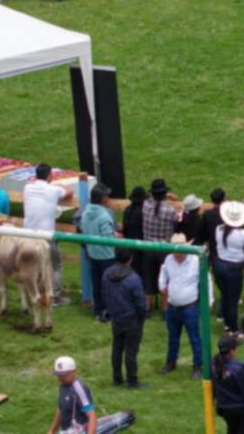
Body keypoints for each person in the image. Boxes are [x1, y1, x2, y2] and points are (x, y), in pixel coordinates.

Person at [22, 163, 73, 305]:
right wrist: (60, 186)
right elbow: (69, 192)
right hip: (46, 236)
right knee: (56, 265)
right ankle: (55, 296)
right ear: (50, 176)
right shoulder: (54, 190)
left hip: (28, 235)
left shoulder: (27, 188)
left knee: (32, 264)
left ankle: (32, 293)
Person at [159, 233, 204, 380]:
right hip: (173, 306)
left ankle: (198, 365)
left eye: (179, 251)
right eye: (175, 251)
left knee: (194, 337)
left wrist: (208, 300)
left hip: (190, 306)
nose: (177, 255)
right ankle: (171, 362)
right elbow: (164, 271)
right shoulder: (168, 260)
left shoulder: (196, 261)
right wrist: (162, 284)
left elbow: (206, 280)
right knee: (173, 336)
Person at [102, 249, 146, 389]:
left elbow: (105, 294)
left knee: (117, 348)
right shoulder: (133, 278)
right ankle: (132, 381)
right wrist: (142, 315)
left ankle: (117, 378)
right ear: (131, 259)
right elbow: (140, 301)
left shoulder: (106, 274)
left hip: (116, 317)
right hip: (132, 318)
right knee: (131, 351)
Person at [214, 201, 244, 334]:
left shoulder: (218, 229)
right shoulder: (242, 234)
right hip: (234, 268)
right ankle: (233, 328)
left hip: (219, 265)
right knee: (232, 299)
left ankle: (227, 323)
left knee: (225, 295)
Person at [80, 184, 117, 322]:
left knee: (97, 284)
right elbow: (108, 239)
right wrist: (116, 236)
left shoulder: (85, 213)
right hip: (107, 256)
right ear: (103, 199)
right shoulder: (104, 216)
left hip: (92, 254)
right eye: (107, 196)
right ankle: (108, 313)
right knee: (109, 286)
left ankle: (98, 311)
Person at [142, 178, 178, 315]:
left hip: (148, 247)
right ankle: (165, 308)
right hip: (164, 249)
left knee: (148, 277)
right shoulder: (170, 210)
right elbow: (176, 221)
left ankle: (147, 307)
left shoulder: (146, 205)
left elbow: (148, 198)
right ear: (165, 193)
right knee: (165, 278)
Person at [212, 335, 244, 434]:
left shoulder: (213, 364)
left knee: (231, 430)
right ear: (232, 351)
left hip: (225, 408)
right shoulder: (239, 368)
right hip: (241, 409)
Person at [48, 357, 98, 434]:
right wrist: (52, 431)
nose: (60, 378)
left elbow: (92, 416)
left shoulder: (78, 389)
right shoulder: (63, 386)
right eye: (58, 375)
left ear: (73, 372)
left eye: (63, 375)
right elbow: (61, 409)